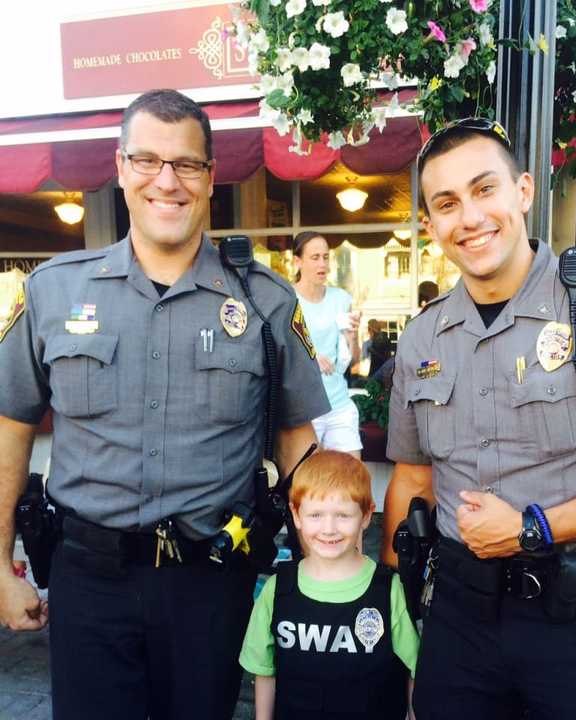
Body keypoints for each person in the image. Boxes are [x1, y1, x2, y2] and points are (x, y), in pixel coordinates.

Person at [0, 89, 330, 720]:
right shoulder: (52, 291)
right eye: (147, 161)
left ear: (210, 178)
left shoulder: (264, 302)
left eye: (186, 164)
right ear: (121, 168)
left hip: (209, 580)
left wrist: (319, 576)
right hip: (86, 578)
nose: (166, 182)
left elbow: (297, 442)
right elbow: (9, 424)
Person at [381, 117, 576, 719]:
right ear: (429, 224)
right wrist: (388, 594)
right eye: (446, 203)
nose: (469, 218)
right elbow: (412, 479)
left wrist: (534, 528)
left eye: (485, 190)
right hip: (457, 622)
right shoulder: (422, 335)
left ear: (523, 191)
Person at [240, 449, 419, 720]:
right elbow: (264, 670)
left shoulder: (387, 590)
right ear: (296, 515)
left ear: (367, 515)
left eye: (343, 515)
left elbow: (415, 669)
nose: (329, 528)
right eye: (315, 515)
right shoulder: (277, 590)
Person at [293, 232, 362, 458]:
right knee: (305, 484)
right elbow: (277, 354)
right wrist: (311, 357)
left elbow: (354, 360)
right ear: (298, 261)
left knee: (352, 480)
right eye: (315, 257)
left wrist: (351, 336)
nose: (322, 264)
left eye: (325, 257)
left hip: (338, 404)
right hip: (303, 409)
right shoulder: (286, 300)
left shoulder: (341, 298)